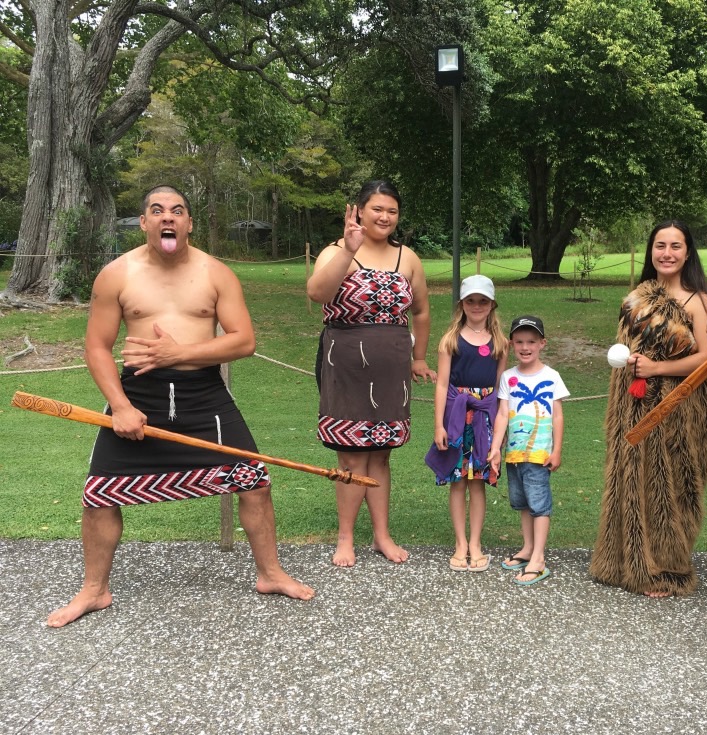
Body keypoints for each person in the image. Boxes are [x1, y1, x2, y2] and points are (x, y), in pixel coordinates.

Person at [47, 185, 314, 628]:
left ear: (189, 222)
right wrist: (120, 407)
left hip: (204, 393)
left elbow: (243, 340)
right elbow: (96, 346)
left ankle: (270, 574)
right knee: (98, 496)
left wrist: (178, 355)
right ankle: (94, 589)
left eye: (177, 211)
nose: (167, 218)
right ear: (145, 222)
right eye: (157, 211)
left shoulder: (216, 273)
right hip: (137, 395)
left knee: (254, 481)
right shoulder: (117, 274)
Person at [306, 180, 436, 567]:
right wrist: (348, 249)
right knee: (350, 455)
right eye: (377, 209)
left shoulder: (407, 258)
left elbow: (423, 312)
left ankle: (381, 535)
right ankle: (345, 538)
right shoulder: (335, 250)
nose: (384, 217)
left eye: (392, 211)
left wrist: (419, 357)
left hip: (392, 365)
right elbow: (317, 294)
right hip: (345, 362)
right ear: (359, 210)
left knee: (380, 455)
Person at [588, 220, 707, 598]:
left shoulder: (698, 300)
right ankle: (622, 562)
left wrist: (658, 368)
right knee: (629, 479)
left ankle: (667, 569)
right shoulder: (637, 296)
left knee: (669, 483)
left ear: (687, 252)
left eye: (675, 246)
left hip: (677, 405)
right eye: (660, 245)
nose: (667, 253)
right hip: (631, 400)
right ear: (651, 251)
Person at [425, 275, 508, 572]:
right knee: (457, 482)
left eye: (482, 301)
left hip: (485, 420)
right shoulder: (450, 341)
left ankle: (476, 543)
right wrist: (439, 425)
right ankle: (460, 542)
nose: (477, 306)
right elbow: (441, 384)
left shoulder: (500, 342)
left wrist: (499, 435)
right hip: (457, 417)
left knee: (478, 484)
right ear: (461, 304)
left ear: (492, 304)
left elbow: (501, 391)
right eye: (471, 301)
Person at [488, 315, 568, 585]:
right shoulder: (507, 377)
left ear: (542, 343)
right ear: (511, 344)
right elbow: (502, 415)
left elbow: (557, 416)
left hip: (538, 456)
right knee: (522, 503)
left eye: (531, 341)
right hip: (514, 455)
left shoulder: (551, 376)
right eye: (520, 341)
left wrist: (556, 450)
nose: (525, 347)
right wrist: (496, 447)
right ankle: (527, 548)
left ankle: (539, 558)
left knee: (539, 505)